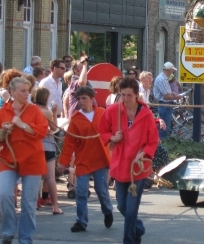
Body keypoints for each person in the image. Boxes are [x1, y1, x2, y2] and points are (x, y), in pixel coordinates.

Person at [99, 76, 158, 244]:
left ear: (137, 95)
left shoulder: (146, 114)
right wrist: (112, 137)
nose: (125, 99)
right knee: (122, 206)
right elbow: (102, 131)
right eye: (123, 95)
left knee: (131, 208)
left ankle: (129, 240)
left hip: (138, 167)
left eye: (129, 95)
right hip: (120, 165)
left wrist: (145, 153)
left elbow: (153, 140)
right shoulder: (112, 111)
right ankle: (138, 228)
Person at [0, 76, 49, 244]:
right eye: (23, 91)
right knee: (5, 195)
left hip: (32, 160)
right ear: (12, 92)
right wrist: (3, 131)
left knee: (29, 202)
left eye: (28, 90)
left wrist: (22, 124)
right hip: (9, 159)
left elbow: (42, 132)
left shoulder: (34, 110)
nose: (27, 93)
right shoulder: (3, 112)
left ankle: (25, 238)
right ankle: (8, 231)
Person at [57, 86, 113, 233]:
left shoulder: (102, 113)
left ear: (92, 99)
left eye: (84, 98)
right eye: (79, 98)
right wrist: (63, 162)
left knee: (101, 190)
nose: (81, 101)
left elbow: (112, 131)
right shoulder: (75, 119)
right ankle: (81, 222)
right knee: (81, 191)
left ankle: (107, 210)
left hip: (100, 158)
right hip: (83, 159)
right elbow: (69, 143)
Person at [31, 86, 62, 214]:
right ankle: (55, 206)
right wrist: (54, 112)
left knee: (34, 176)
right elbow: (54, 128)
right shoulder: (46, 111)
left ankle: (33, 203)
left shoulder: (30, 110)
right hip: (47, 145)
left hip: (34, 145)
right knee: (50, 177)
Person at [153, 62, 180, 140]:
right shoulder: (162, 79)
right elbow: (166, 96)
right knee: (164, 127)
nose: (172, 72)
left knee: (166, 126)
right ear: (169, 70)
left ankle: (162, 143)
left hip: (165, 105)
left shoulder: (163, 78)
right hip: (165, 105)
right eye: (172, 70)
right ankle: (162, 144)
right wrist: (177, 97)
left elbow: (167, 93)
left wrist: (172, 93)